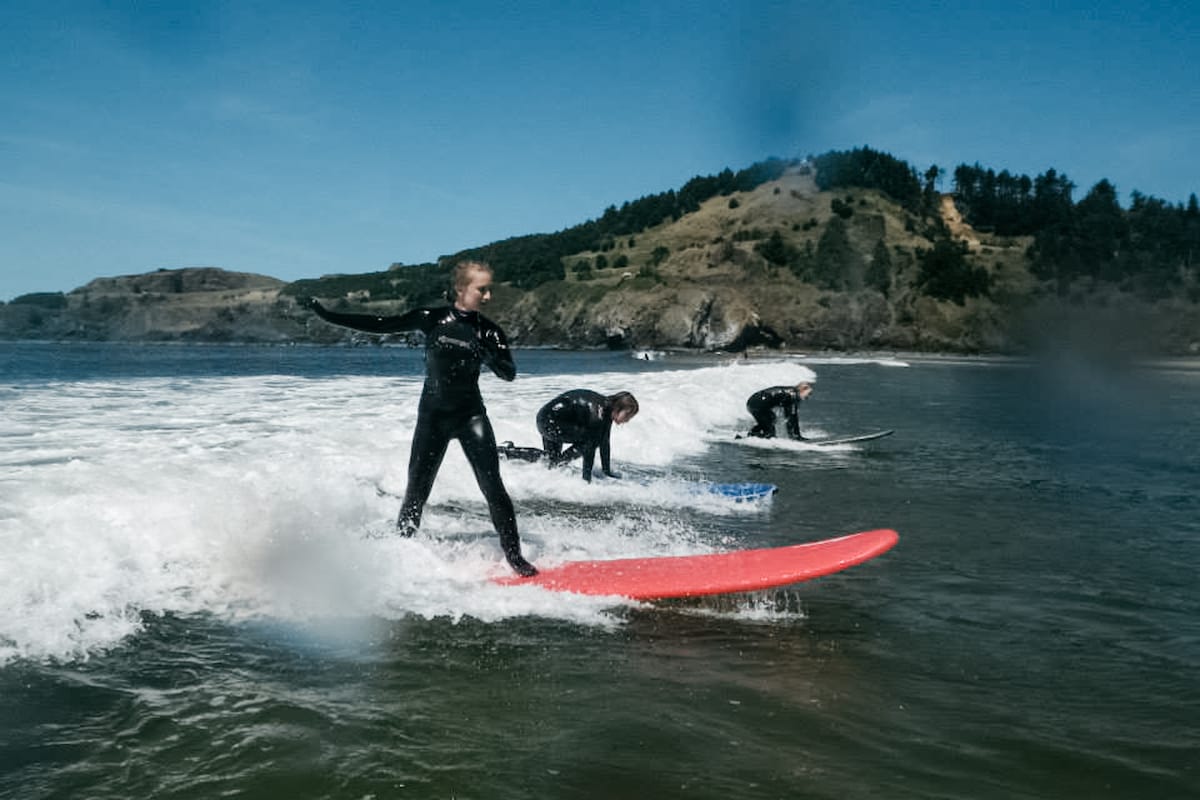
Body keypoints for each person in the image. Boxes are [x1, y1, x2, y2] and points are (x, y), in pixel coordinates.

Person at [302, 260, 537, 577]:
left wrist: (488, 352)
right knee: (417, 489)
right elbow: (380, 323)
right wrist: (327, 315)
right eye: (482, 289)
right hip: (433, 418)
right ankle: (402, 547)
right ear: (461, 289)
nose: (488, 296)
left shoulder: (489, 331)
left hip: (471, 417)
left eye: (488, 289)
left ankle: (515, 556)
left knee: (493, 487)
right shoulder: (431, 319)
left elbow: (508, 374)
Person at [535, 390, 639, 482]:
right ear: (618, 408)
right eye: (627, 415)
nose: (627, 420)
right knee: (589, 442)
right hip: (549, 421)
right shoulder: (599, 414)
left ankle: (519, 455)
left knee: (551, 462)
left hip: (548, 419)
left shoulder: (606, 410)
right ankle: (560, 464)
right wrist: (586, 480)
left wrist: (606, 471)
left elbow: (604, 442)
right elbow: (590, 448)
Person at [745, 382, 813, 440]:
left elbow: (791, 417)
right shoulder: (793, 396)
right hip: (757, 404)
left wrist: (794, 435)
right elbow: (791, 418)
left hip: (753, 402)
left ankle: (751, 436)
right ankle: (754, 437)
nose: (809, 397)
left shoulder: (792, 393)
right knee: (770, 431)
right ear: (802, 390)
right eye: (809, 394)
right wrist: (796, 436)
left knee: (771, 420)